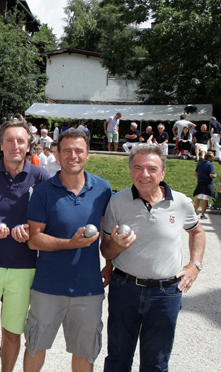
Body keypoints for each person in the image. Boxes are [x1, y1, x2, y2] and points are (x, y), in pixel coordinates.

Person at [100, 144, 205, 372]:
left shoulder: (181, 202)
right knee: (117, 359)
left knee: (156, 363)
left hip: (165, 293)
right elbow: (106, 250)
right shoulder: (117, 202)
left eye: (151, 168)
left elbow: (197, 231)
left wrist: (194, 265)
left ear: (163, 173)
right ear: (130, 171)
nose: (144, 174)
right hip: (124, 288)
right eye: (137, 167)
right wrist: (115, 247)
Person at [24, 129, 113, 372]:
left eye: (79, 150)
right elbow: (34, 240)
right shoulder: (43, 191)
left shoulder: (103, 189)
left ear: (87, 154)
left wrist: (110, 264)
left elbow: (106, 236)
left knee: (85, 352)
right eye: (67, 151)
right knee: (35, 346)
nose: (73, 155)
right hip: (48, 287)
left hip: (88, 289)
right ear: (57, 154)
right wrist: (70, 244)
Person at [0, 118, 49, 372]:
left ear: (29, 147)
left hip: (24, 266)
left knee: (12, 333)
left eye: (21, 141)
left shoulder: (41, 176)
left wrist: (30, 228)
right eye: (9, 141)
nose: (15, 145)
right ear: (0, 145)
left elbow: (50, 218)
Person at [193, 151, 217, 219]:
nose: (214, 158)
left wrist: (199, 179)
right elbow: (211, 175)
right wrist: (215, 175)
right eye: (213, 157)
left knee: (198, 198)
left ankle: (195, 212)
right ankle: (202, 215)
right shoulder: (210, 165)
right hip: (207, 183)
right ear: (209, 158)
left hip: (200, 183)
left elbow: (195, 173)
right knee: (205, 199)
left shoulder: (200, 163)